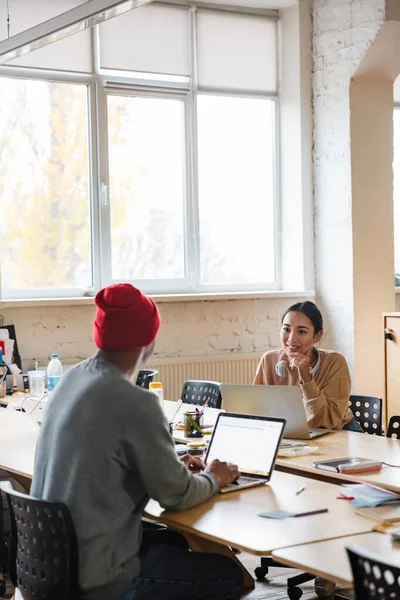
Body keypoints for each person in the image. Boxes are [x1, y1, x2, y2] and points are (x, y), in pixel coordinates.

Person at [30, 283, 244, 600]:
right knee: (229, 575)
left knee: (173, 543)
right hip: (97, 578)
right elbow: (177, 496)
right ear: (148, 340)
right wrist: (215, 476)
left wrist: (167, 467)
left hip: (46, 565)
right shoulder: (136, 402)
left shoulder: (72, 378)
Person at [253, 300, 362, 432]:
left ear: (317, 336)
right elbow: (257, 409)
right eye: (286, 329)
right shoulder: (269, 360)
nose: (291, 338)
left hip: (339, 432)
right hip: (292, 433)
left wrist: (306, 378)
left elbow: (326, 423)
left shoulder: (334, 362)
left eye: (302, 332)